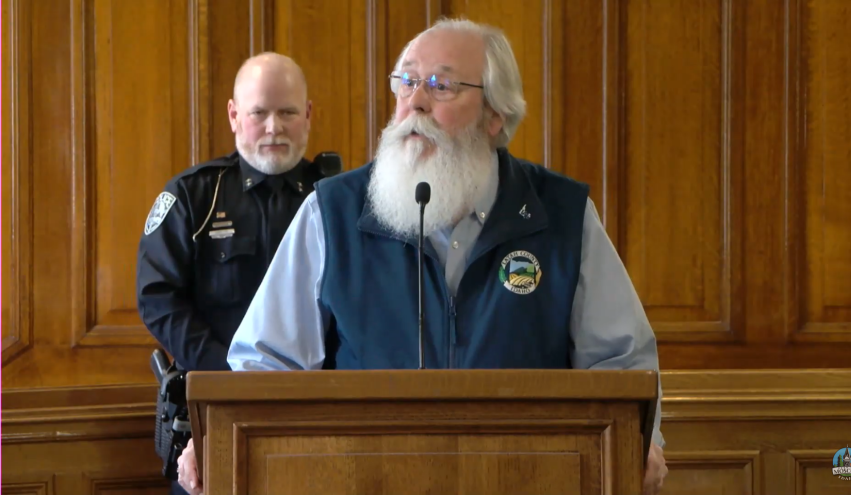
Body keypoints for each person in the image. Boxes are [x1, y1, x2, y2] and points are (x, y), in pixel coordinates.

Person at [177, 18, 668, 495]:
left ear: (496, 115)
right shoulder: (333, 211)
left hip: (525, 476)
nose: (414, 103)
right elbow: (266, 361)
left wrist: (640, 442)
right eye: (407, 82)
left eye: (440, 86)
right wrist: (220, 434)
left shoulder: (561, 214)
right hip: (363, 478)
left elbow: (620, 362)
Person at [136, 52, 338, 495]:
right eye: (258, 113)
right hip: (212, 416)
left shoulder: (338, 201)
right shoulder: (195, 197)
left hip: (318, 418)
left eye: (287, 112)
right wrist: (230, 380)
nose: (273, 127)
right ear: (233, 115)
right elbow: (158, 299)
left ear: (308, 115)